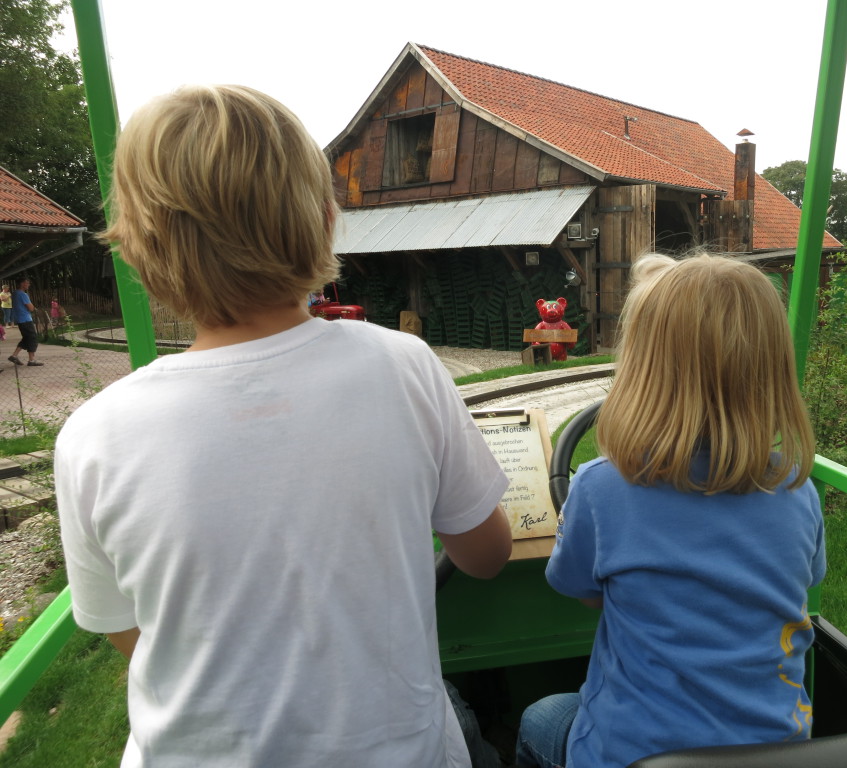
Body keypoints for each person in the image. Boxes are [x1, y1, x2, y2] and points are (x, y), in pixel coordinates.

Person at [54, 84, 513, 768]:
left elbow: (132, 633)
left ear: (136, 246)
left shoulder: (93, 435)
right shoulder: (404, 366)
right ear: (326, 221)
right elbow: (486, 553)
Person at [516, 253, 826, 768]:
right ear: (771, 369)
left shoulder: (600, 488)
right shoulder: (796, 489)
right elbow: (802, 580)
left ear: (640, 368)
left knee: (540, 717)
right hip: (776, 752)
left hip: (632, 757)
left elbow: (581, 592)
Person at [8, 277, 42, 366]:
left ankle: (14, 356)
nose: (29, 285)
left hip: (19, 319)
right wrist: (34, 308)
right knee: (32, 338)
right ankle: (31, 360)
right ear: (22, 284)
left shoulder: (14, 293)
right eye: (27, 283)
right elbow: (30, 308)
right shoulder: (23, 294)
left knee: (27, 338)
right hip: (25, 319)